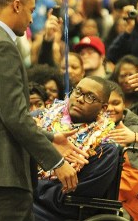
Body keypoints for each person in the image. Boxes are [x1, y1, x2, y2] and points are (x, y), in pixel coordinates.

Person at [0, 0, 87, 220]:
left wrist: (51, 138)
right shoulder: (0, 45)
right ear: (16, 6)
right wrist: (56, 161)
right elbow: (15, 117)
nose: (31, 19)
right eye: (30, 10)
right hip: (2, 168)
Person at [32, 76, 119, 220]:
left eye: (90, 97)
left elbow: (73, 196)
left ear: (103, 108)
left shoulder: (105, 147)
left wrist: (28, 186)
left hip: (56, 211)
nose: (80, 99)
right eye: (78, 91)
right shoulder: (41, 117)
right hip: (24, 197)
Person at [106, 80, 138, 221]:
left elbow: (130, 185)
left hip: (131, 207)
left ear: (124, 104)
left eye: (115, 103)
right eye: (105, 103)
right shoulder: (91, 126)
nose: (110, 108)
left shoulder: (136, 132)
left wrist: (93, 193)